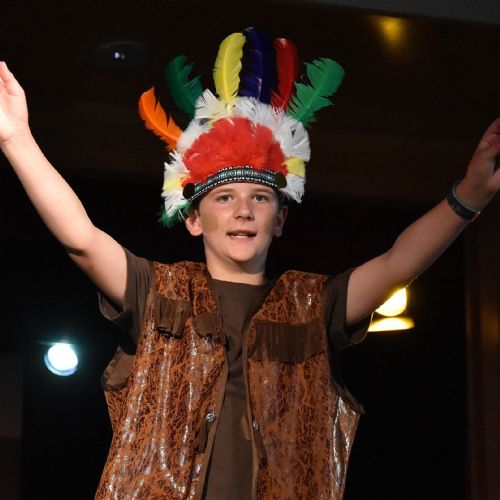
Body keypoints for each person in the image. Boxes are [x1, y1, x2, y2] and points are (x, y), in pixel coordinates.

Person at [1, 26, 499, 499]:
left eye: (260, 198)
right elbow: (83, 239)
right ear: (192, 219)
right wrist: (16, 138)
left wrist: (470, 195)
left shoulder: (314, 305)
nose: (243, 210)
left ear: (279, 219)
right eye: (225, 198)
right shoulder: (156, 291)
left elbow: (396, 264)